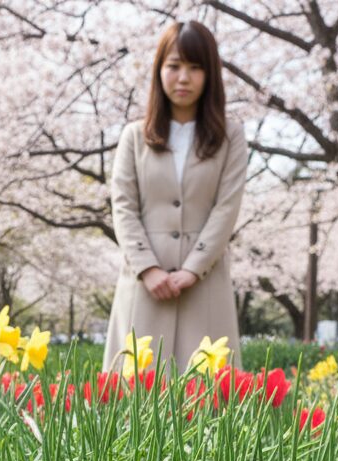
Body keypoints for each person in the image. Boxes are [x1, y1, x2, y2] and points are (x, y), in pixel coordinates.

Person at [102, 20, 249, 377]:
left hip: (205, 282)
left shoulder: (230, 137)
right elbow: (123, 206)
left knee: (207, 391)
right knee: (135, 390)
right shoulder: (134, 136)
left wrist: (193, 269)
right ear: (159, 70)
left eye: (195, 67)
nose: (183, 78)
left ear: (210, 75)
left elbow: (227, 207)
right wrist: (148, 268)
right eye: (174, 66)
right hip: (144, 282)